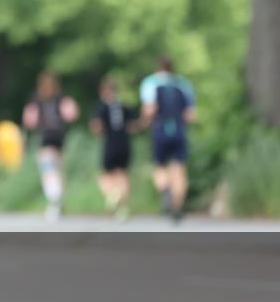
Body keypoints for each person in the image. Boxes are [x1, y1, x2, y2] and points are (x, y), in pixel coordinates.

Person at [139, 56, 196, 223]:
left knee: (160, 166)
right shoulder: (183, 84)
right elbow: (190, 115)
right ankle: (177, 206)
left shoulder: (151, 83)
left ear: (158, 68)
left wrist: (144, 122)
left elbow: (150, 110)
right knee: (179, 170)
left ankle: (165, 190)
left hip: (160, 130)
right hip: (179, 131)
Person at [22, 71, 79, 222]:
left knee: (48, 169)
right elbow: (72, 114)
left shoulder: (36, 99)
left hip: (46, 136)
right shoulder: (61, 97)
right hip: (60, 136)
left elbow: (29, 120)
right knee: (57, 169)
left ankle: (53, 201)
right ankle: (58, 201)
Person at [90, 78, 136, 221]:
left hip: (110, 144)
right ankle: (122, 208)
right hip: (125, 144)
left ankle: (112, 196)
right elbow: (133, 126)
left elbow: (96, 127)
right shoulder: (123, 106)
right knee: (123, 175)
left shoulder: (102, 107)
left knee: (105, 175)